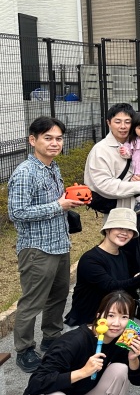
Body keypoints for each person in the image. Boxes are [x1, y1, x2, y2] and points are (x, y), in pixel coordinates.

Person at [9, 117, 84, 373]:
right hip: (37, 249)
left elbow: (54, 202)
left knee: (58, 295)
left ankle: (51, 337)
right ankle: (24, 349)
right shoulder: (25, 172)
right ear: (33, 140)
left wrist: (69, 198)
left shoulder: (52, 167)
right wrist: (58, 205)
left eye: (59, 138)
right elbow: (17, 213)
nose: (55, 143)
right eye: (48, 138)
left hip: (59, 244)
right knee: (32, 301)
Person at [65, 208, 140, 327]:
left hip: (117, 317)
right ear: (107, 229)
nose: (124, 233)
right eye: (120, 228)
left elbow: (130, 284)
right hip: (89, 321)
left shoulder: (125, 255)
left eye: (129, 230)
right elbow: (112, 287)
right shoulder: (90, 259)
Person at [84, 103, 140, 213]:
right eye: (117, 122)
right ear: (108, 123)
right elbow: (102, 185)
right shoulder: (100, 150)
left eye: (128, 122)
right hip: (121, 212)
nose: (123, 126)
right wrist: (139, 186)